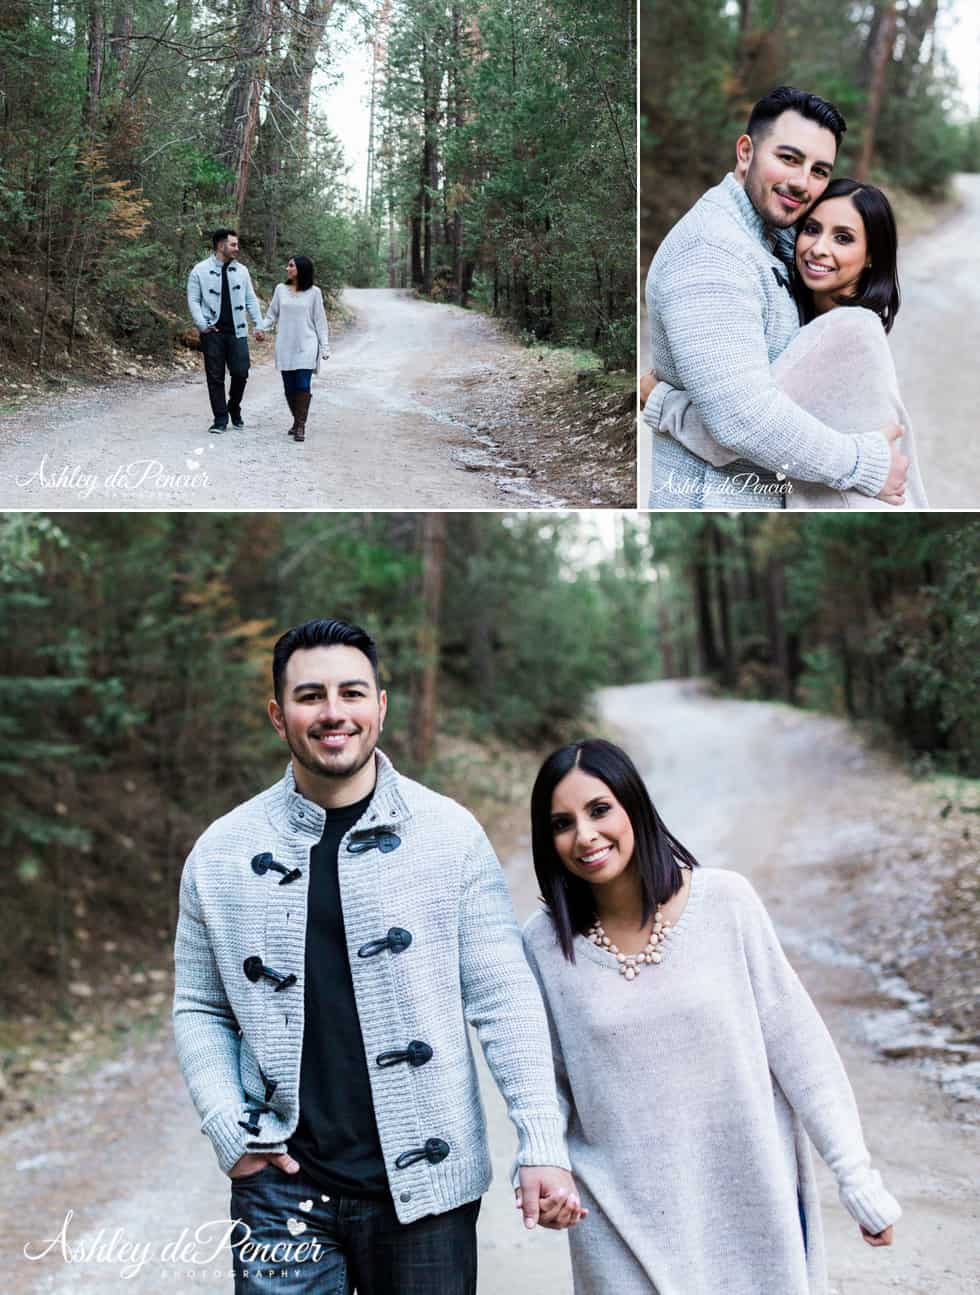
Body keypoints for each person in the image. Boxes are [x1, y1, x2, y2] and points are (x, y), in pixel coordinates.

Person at [173, 617, 582, 1295]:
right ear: (279, 714)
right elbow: (200, 1005)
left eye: (351, 692)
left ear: (381, 706)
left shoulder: (449, 836)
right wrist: (228, 1123)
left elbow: (503, 996)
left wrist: (540, 1139)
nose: (333, 712)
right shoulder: (220, 853)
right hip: (282, 1192)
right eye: (310, 696)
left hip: (427, 1190)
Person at [523, 738, 901, 1295]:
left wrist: (856, 1177)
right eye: (561, 823)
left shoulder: (727, 905)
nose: (584, 835)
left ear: (634, 806)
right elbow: (542, 1081)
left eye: (599, 809)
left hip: (749, 1207)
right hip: (618, 1221)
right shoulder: (545, 946)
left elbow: (799, 1047)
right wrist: (544, 1167)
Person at [644, 85, 909, 510]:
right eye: (788, 158)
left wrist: (661, 400)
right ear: (746, 152)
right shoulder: (712, 249)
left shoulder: (768, 238)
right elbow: (741, 418)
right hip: (710, 502)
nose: (802, 182)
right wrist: (862, 464)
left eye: (819, 170)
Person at [187, 229, 265, 433]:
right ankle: (220, 419)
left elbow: (250, 298)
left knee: (241, 372)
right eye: (233, 245)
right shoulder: (199, 270)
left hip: (237, 331)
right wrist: (202, 324)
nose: (236, 249)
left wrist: (259, 324)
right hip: (212, 332)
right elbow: (193, 300)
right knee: (215, 377)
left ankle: (234, 407)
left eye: (237, 245)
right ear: (221, 246)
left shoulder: (242, 271)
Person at [259, 255, 331, 443]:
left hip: (307, 343)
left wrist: (325, 346)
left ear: (301, 269)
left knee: (302, 384)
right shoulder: (280, 289)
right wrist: (261, 327)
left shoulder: (314, 292)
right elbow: (272, 314)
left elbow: (320, 321)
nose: (287, 268)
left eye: (291, 266)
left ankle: (301, 426)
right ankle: (296, 419)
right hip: (285, 344)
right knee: (289, 387)